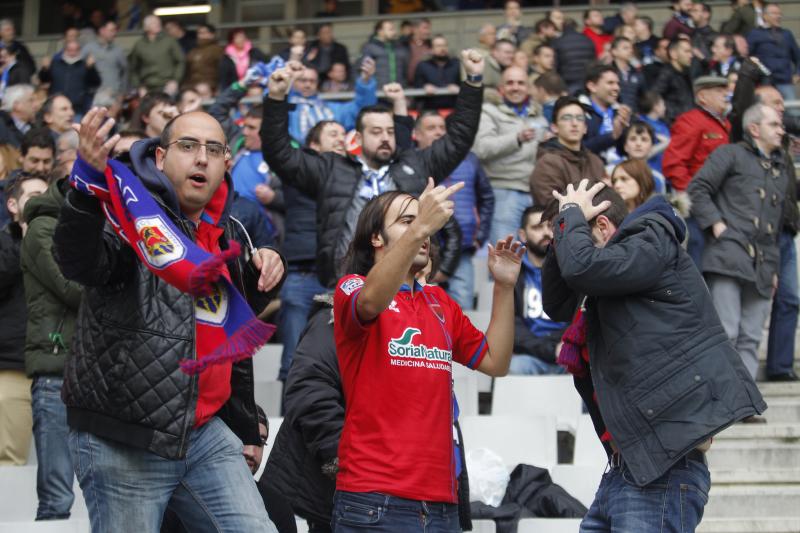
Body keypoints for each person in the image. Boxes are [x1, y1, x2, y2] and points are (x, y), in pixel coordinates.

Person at [53, 107, 287, 532]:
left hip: (203, 434)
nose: (202, 158)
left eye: (213, 150)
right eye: (188, 146)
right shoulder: (127, 213)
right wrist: (85, 189)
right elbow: (78, 261)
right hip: (124, 438)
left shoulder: (230, 232)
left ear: (225, 165)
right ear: (160, 158)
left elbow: (228, 338)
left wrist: (262, 273)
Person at [542, 179, 765, 532]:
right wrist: (564, 227)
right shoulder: (610, 274)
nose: (569, 247)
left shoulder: (649, 240)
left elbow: (581, 268)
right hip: (627, 467)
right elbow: (556, 304)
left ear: (601, 225)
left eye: (575, 237)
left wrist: (569, 214)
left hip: (664, 465)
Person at [332, 184, 523, 532]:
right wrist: (423, 224)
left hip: (440, 504)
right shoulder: (351, 287)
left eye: (423, 222)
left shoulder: (440, 302)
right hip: (374, 498)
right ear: (376, 237)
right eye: (407, 220)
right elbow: (371, 302)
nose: (423, 229)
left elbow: (496, 362)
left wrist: (504, 288)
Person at [261, 53, 486, 289]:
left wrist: (472, 80)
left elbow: (459, 137)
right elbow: (280, 154)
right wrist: (276, 98)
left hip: (406, 287)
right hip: (345, 287)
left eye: (389, 131)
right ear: (358, 137)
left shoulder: (415, 165)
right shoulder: (332, 169)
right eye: (376, 132)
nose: (386, 138)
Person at [688, 104, 787, 380]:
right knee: (726, 331)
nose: (781, 130)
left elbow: (776, 223)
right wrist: (717, 226)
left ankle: (746, 401)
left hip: (765, 263)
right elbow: (698, 189)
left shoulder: (780, 168)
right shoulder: (729, 154)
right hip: (728, 255)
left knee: (752, 336)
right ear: (754, 129)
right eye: (774, 125)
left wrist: (776, 268)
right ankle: (723, 401)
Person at [730, 60, 799, 382]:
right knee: (743, 314)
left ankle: (780, 367)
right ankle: (738, 378)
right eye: (776, 104)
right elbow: (741, 107)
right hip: (755, 237)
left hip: (784, 232)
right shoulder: (745, 143)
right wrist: (749, 73)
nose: (782, 110)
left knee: (790, 300)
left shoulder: (782, 147)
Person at [20, 174, 80, 519]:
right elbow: (72, 288)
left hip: (91, 371)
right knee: (57, 499)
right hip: (55, 371)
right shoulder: (44, 228)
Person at [264, 294, 341, 533]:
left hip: (401, 494)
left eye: (425, 275)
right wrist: (344, 461)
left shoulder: (428, 323)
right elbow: (310, 392)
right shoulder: (332, 319)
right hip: (337, 488)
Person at [415, 111, 494, 309]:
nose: (439, 132)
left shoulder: (469, 159)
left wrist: (480, 235)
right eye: (431, 128)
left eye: (442, 128)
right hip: (419, 250)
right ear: (416, 134)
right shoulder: (408, 163)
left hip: (463, 249)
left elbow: (487, 197)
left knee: (462, 312)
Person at [0, 173, 47, 468]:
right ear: (13, 205)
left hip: (59, 373)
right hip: (13, 368)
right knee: (9, 463)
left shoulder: (67, 245)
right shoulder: (5, 243)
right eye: (33, 197)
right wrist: (28, 241)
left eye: (47, 195)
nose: (42, 203)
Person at [662, 75, 731, 264]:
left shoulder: (725, 124)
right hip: (699, 205)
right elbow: (673, 163)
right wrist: (692, 194)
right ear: (702, 97)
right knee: (697, 257)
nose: (726, 95)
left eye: (725, 91)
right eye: (719, 91)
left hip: (722, 203)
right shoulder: (691, 121)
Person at [474, 66, 545, 246]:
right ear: (501, 88)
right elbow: (481, 149)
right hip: (503, 191)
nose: (515, 87)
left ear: (528, 88)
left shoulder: (538, 114)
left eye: (521, 83)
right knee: (505, 254)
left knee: (537, 256)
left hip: (535, 191)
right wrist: (517, 138)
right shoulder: (488, 112)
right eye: (510, 83)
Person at [511, 205, 567, 375]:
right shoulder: (513, 275)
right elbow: (512, 328)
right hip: (530, 355)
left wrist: (565, 346)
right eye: (537, 227)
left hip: (567, 352)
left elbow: (580, 319)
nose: (546, 233)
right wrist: (549, 349)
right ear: (522, 235)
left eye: (550, 226)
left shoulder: (572, 269)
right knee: (515, 367)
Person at [530, 96, 605, 206]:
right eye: (566, 118)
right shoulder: (547, 162)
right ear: (554, 127)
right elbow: (551, 207)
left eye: (579, 118)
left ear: (585, 128)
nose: (574, 123)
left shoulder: (596, 162)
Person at [285, 60, 377, 146]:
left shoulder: (330, 109)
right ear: (293, 81)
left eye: (312, 81)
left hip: (329, 159)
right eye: (303, 80)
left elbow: (362, 110)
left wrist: (365, 81)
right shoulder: (283, 107)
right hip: (292, 158)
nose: (308, 85)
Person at [746, 3, 800, 100]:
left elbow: (798, 56)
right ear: (765, 16)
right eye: (774, 13)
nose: (778, 16)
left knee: (793, 112)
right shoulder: (755, 34)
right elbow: (747, 56)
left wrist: (798, 73)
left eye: (779, 14)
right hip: (764, 82)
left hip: (785, 81)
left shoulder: (787, 34)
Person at [581, 64, 632, 162]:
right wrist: (612, 136)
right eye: (610, 83)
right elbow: (576, 149)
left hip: (622, 172)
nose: (616, 88)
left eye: (618, 83)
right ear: (592, 86)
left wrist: (626, 131)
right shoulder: (579, 113)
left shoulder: (621, 113)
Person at [38, 40, 101, 116]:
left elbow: (95, 82)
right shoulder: (55, 64)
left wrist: (91, 69)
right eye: (70, 50)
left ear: (79, 51)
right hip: (56, 106)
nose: (72, 53)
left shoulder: (85, 65)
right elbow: (44, 80)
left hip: (77, 108)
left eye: (75, 50)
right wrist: (45, 69)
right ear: (64, 50)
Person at [128, 14, 185, 95]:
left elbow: (180, 61)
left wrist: (175, 81)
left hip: (167, 86)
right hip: (147, 88)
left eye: (158, 22)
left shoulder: (169, 41)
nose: (158, 24)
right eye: (153, 23)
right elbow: (133, 68)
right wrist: (139, 86)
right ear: (146, 27)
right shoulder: (139, 44)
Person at [607, 120, 668, 194]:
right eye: (633, 139)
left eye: (644, 139)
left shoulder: (657, 179)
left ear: (651, 147)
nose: (638, 144)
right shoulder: (611, 170)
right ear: (625, 146)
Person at [652, 38, 696, 124]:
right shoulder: (665, 74)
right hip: (674, 125)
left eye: (691, 52)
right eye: (687, 51)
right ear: (673, 54)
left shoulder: (687, 74)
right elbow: (654, 97)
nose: (691, 55)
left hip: (687, 123)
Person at [413, 35, 460, 110]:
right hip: (430, 110)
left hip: (453, 109)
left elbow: (466, 84)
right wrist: (424, 87)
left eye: (445, 45)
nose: (442, 48)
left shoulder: (456, 64)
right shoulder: (423, 65)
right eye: (438, 46)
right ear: (431, 49)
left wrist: (459, 88)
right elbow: (416, 87)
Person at [551, 19, 597, 94]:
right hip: (586, 79)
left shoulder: (557, 42)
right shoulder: (587, 40)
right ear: (576, 27)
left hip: (568, 81)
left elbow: (555, 64)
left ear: (563, 28)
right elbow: (594, 61)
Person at [83, 20, 127, 93]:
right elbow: (78, 71)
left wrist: (122, 94)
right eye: (112, 30)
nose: (114, 33)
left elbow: (125, 73)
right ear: (102, 31)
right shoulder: (88, 48)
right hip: (94, 95)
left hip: (113, 95)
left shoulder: (118, 51)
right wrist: (87, 66)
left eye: (115, 30)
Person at [361, 20, 409, 87]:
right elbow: (365, 70)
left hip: (398, 89)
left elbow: (405, 70)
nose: (394, 32)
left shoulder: (400, 47)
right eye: (390, 29)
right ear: (380, 31)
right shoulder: (370, 47)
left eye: (393, 29)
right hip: (378, 91)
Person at [184, 23, 225, 93]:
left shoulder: (217, 50)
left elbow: (223, 71)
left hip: (210, 85)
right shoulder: (193, 51)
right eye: (199, 33)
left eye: (204, 33)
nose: (201, 35)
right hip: (191, 85)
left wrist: (217, 86)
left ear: (212, 35)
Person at [609, 37, 644, 111]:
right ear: (614, 51)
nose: (630, 51)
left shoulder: (637, 73)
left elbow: (642, 96)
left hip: (634, 116)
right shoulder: (608, 72)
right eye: (625, 48)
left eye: (631, 48)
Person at [0, 83, 34, 147]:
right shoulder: (2, 127)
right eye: (30, 100)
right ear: (17, 105)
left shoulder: (36, 128)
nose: (35, 105)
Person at [405, 18, 432, 85]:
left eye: (429, 28)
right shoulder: (404, 45)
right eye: (425, 28)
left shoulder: (431, 45)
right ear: (415, 29)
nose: (428, 32)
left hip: (427, 87)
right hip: (408, 86)